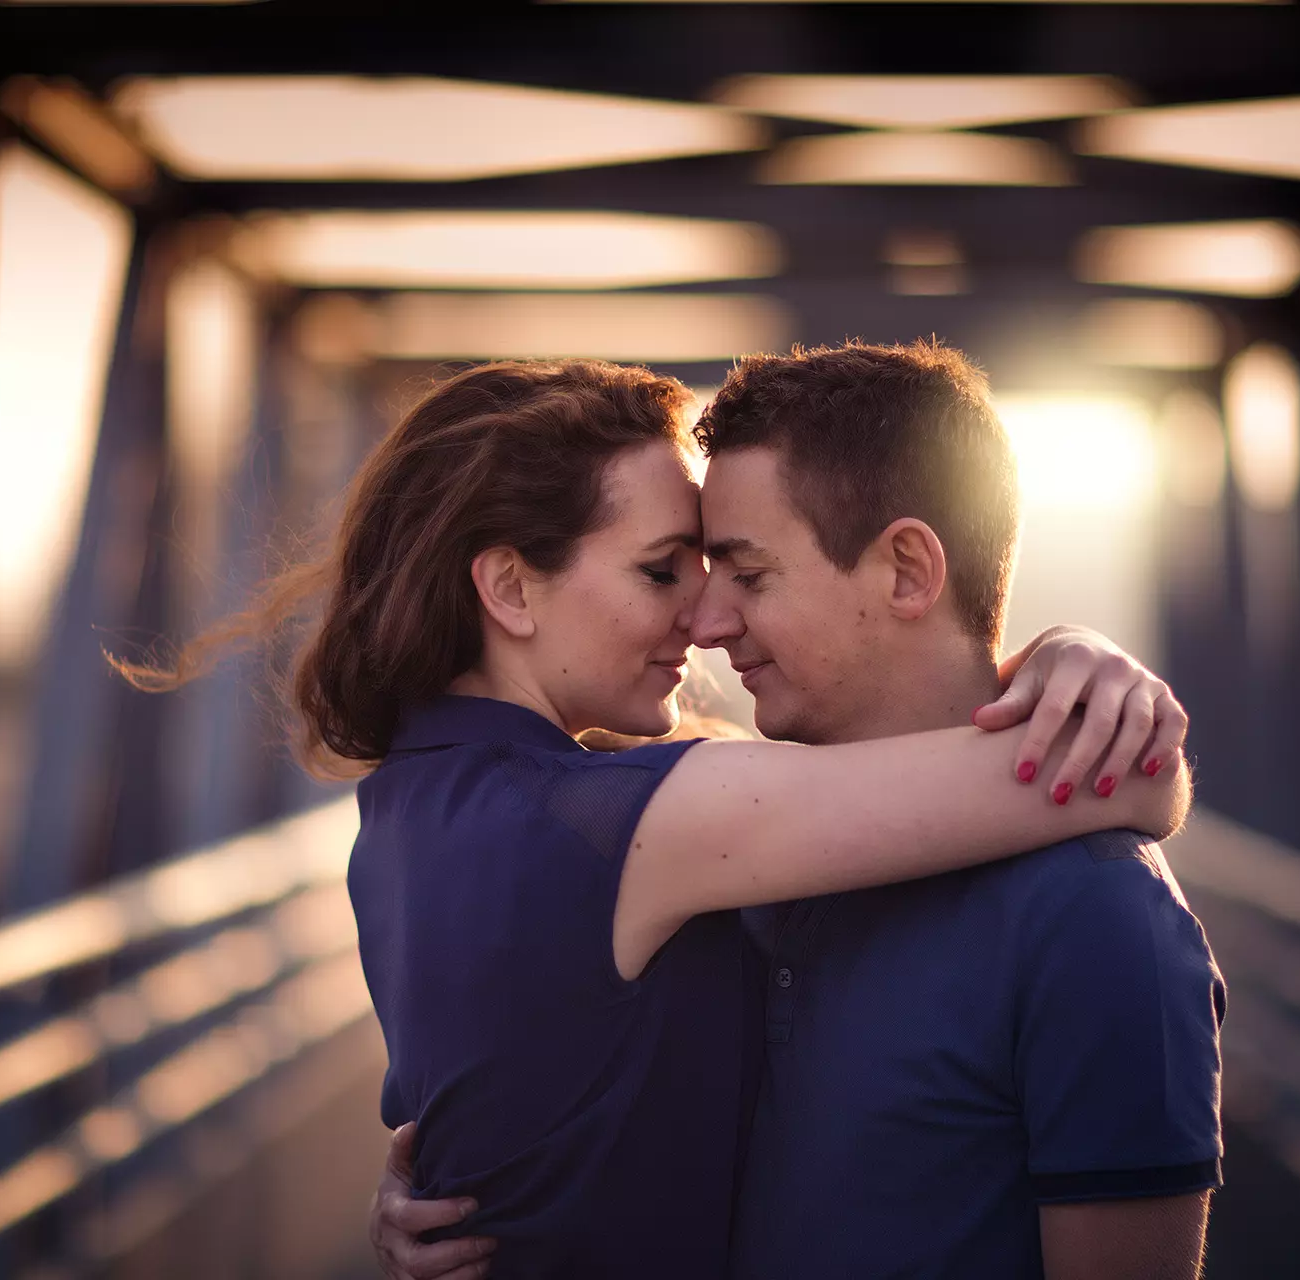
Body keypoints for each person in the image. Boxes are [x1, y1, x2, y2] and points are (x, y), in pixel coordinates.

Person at [126, 358, 1189, 1279]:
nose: (706, 615)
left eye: (729, 567)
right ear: (508, 587)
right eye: (661, 569)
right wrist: (1080, 677)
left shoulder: (422, 801)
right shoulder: (642, 824)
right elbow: (1134, 782)